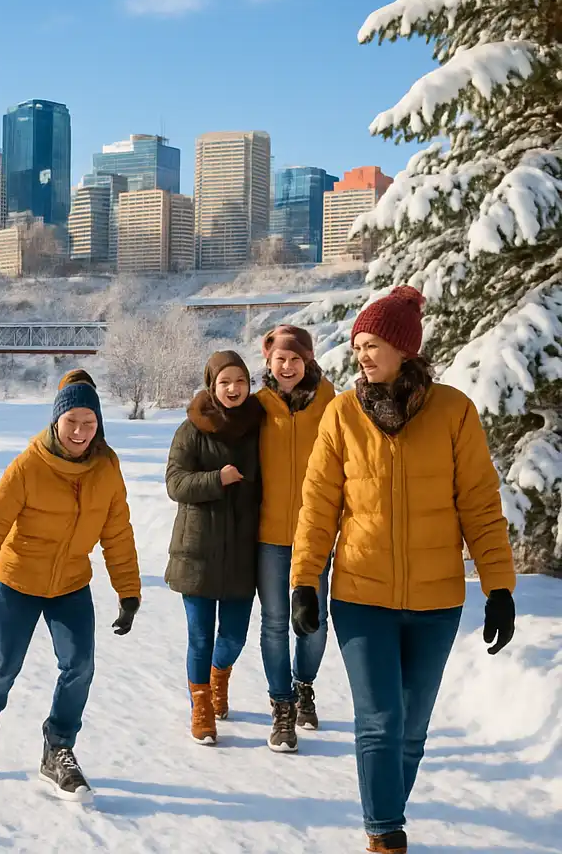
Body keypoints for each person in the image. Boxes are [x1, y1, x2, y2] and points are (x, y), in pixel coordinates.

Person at [291, 286, 516, 854]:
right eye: (358, 345)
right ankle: (384, 834)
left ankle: (385, 810)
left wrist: (500, 588)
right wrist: (303, 580)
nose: (362, 354)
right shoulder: (342, 414)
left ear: (404, 348)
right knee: (380, 721)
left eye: (372, 343)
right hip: (362, 597)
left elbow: (481, 508)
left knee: (412, 730)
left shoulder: (453, 411)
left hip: (437, 601)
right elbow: (318, 507)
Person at [0, 380, 141, 801]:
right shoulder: (27, 467)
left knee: (80, 665)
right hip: (19, 581)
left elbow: (118, 533)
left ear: (99, 424)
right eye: (71, 421)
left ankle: (58, 747)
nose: (80, 431)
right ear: (56, 421)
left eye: (89, 422)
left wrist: (128, 591)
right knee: (3, 664)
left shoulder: (107, 469)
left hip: (71, 584)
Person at [165, 351, 264, 745]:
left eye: (240, 381)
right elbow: (175, 483)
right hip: (198, 550)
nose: (233, 389)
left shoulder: (259, 426)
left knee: (235, 636)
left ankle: (218, 677)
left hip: (242, 549)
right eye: (225, 382)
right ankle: (201, 704)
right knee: (200, 637)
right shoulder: (192, 429)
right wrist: (216, 480)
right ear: (212, 385)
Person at [255, 325, 336, 752]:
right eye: (279, 360)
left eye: (295, 359)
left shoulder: (331, 402)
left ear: (307, 361)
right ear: (269, 362)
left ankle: (304, 684)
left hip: (317, 532)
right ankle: (282, 707)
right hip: (268, 534)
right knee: (273, 623)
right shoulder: (257, 406)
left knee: (313, 622)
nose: (287, 367)